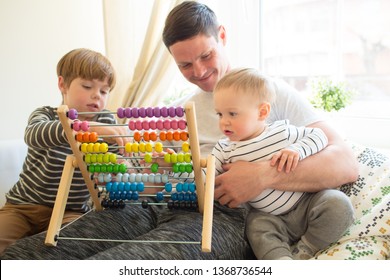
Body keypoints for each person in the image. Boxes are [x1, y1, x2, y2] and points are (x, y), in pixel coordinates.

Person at [1, 1, 358, 260]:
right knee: (39, 252)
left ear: (222, 35)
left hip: (223, 219)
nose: (199, 71)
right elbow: (157, 174)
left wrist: (263, 176)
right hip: (159, 204)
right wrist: (141, 168)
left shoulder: (265, 93)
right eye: (185, 64)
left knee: (123, 264)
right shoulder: (184, 107)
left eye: (205, 56)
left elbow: (345, 162)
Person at [212, 68, 354, 260]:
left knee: (337, 203)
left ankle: (306, 248)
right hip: (268, 217)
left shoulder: (281, 132)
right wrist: (177, 170)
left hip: (306, 203)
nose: (224, 122)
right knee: (255, 228)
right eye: (219, 114)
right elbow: (205, 173)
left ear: (262, 112)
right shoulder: (223, 148)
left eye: (232, 114)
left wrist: (298, 150)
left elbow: (319, 136)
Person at [0, 48, 130, 255]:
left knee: (70, 248)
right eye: (87, 86)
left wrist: (114, 173)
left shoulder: (107, 122)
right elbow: (33, 134)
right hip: (24, 207)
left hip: (72, 210)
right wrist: (87, 127)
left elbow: (114, 165)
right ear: (63, 84)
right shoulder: (46, 115)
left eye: (104, 91)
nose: (97, 95)